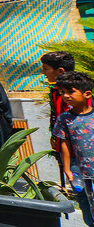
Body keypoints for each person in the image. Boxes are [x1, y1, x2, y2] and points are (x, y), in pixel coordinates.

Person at [42, 51, 93, 226]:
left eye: (46, 69)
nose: (44, 73)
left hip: (83, 156)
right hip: (75, 159)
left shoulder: (78, 96)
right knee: (84, 196)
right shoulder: (60, 94)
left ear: (60, 71)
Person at [53, 71, 94, 222]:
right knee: (88, 203)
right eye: (62, 92)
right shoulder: (65, 119)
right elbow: (65, 143)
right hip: (84, 171)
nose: (66, 96)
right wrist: (67, 169)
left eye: (71, 92)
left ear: (87, 94)